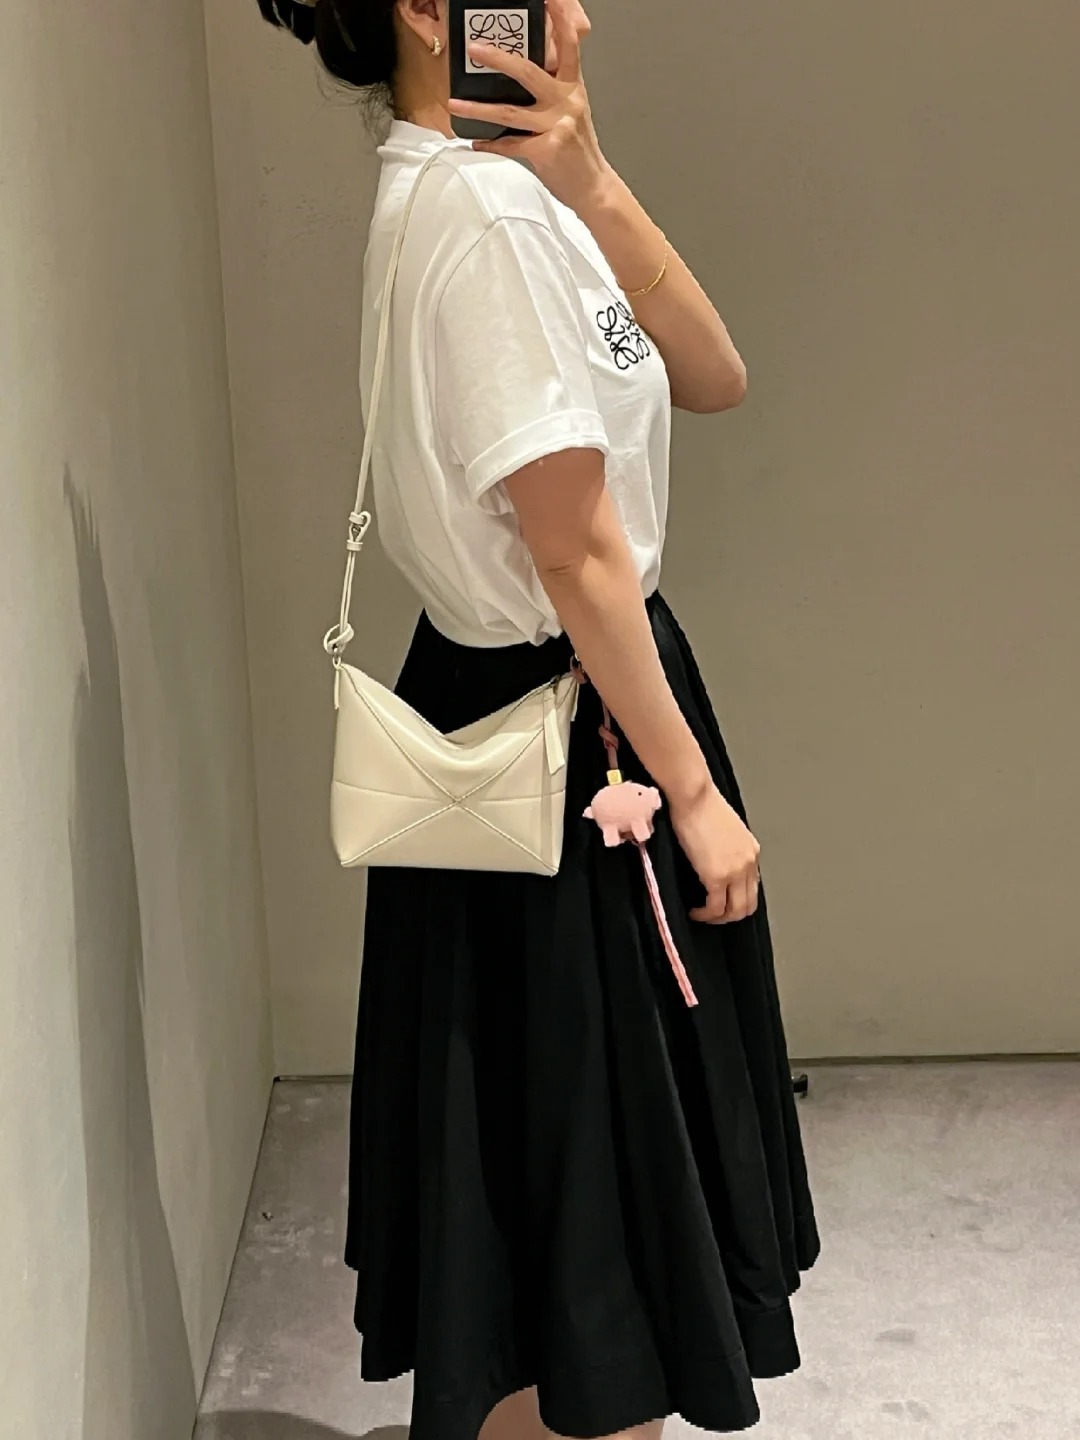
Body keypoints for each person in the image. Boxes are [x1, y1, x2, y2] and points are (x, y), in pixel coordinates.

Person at [257, 1, 821, 1436]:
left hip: (525, 697)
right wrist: (695, 795)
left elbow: (715, 376)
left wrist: (593, 175)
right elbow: (574, 550)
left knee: (546, 1203)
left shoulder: (489, 189)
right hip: (575, 731)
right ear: (426, 9)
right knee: (602, 1230)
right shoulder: (485, 218)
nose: (573, 14)